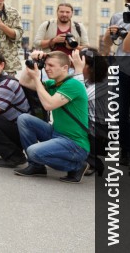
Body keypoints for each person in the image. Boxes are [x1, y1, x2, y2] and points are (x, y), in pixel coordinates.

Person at [13, 51, 90, 182]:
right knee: (24, 119)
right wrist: (32, 61)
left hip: (75, 144)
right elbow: (24, 81)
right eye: (46, 65)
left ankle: (76, 166)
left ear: (65, 68)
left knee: (33, 152)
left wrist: (37, 78)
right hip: (57, 134)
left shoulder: (73, 85)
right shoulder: (53, 84)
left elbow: (49, 105)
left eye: (51, 65)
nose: (47, 68)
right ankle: (36, 166)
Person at [100, 0, 130, 167]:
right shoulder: (119, 17)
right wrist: (108, 35)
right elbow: (106, 48)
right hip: (122, 70)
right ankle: (126, 149)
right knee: (120, 113)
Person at [71, 48, 108, 177]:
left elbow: (80, 97)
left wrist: (77, 71)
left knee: (72, 124)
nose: (78, 65)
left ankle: (92, 161)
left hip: (102, 131)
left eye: (82, 63)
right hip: (90, 124)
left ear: (92, 67)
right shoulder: (86, 77)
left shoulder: (105, 81)